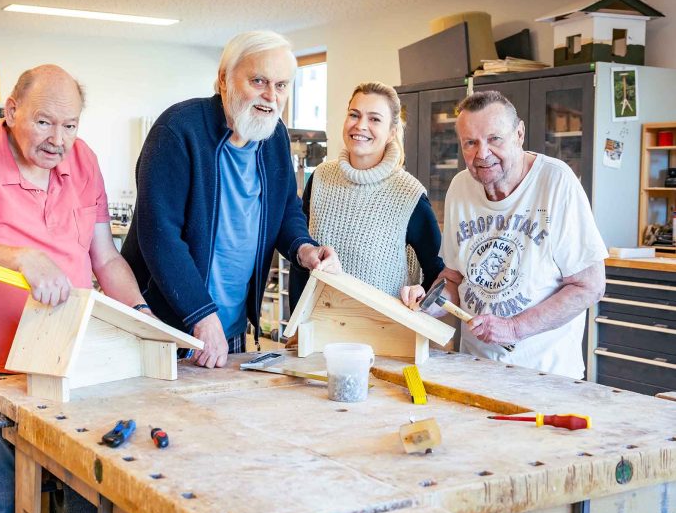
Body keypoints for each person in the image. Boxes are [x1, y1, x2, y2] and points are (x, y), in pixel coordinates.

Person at [0, 64, 147, 513]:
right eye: (44, 122)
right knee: (0, 505)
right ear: (12, 110)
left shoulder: (83, 159)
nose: (58, 139)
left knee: (85, 488)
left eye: (70, 125)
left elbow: (104, 257)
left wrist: (142, 312)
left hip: (64, 355)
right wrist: (21, 257)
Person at [121, 31, 340, 369]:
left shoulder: (274, 136)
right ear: (223, 78)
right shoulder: (177, 131)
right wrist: (202, 316)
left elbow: (284, 211)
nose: (271, 96)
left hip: (229, 328)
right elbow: (160, 236)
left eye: (281, 85)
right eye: (259, 81)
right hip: (167, 326)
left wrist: (304, 249)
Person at [401, 90, 607, 379]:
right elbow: (453, 278)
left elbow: (590, 286)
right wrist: (431, 302)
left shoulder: (556, 182)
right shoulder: (460, 187)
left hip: (545, 375)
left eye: (494, 139)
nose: (482, 154)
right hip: (475, 368)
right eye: (470, 143)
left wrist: (514, 328)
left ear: (519, 134)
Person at [288, 82, 444, 310]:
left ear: (392, 132)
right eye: (354, 115)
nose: (360, 125)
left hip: (379, 337)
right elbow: (303, 259)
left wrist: (420, 294)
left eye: (374, 119)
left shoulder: (409, 195)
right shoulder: (320, 178)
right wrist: (297, 322)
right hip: (319, 332)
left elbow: (437, 274)